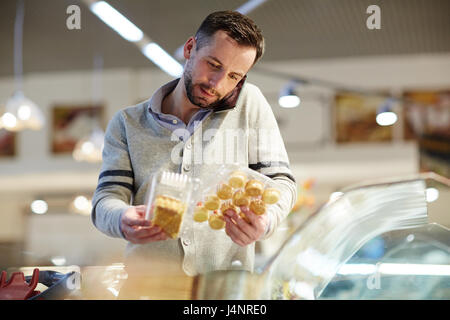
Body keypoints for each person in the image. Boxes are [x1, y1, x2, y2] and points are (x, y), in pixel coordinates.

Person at [91, 11, 297, 283]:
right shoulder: (128, 123)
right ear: (189, 48)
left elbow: (282, 181)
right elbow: (105, 198)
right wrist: (121, 218)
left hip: (222, 288)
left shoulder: (250, 104)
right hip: (147, 286)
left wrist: (266, 221)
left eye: (234, 76)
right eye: (213, 64)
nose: (217, 84)